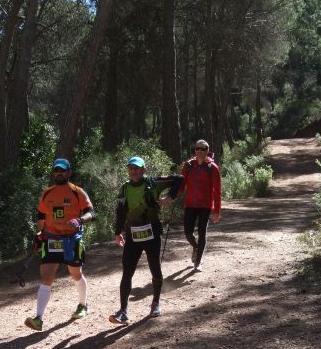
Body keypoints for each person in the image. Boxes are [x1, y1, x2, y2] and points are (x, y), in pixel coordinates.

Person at [24, 158, 95, 331]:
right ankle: (38, 318)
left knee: (76, 273)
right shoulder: (47, 193)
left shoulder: (78, 192)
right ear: (53, 173)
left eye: (62, 171)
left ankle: (83, 305)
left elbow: (91, 213)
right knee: (46, 276)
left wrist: (80, 220)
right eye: (56, 171)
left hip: (72, 239)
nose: (59, 174)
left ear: (69, 172)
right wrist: (38, 236)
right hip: (51, 239)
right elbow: (41, 217)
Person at [109, 156, 183, 324]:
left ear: (144, 170)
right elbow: (120, 211)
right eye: (131, 168)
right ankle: (123, 311)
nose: (134, 171)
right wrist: (118, 231)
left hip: (152, 234)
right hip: (133, 235)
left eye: (137, 168)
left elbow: (179, 179)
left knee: (155, 269)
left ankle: (155, 303)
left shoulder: (153, 183)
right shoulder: (125, 188)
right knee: (127, 272)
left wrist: (168, 198)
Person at [177, 139, 221, 272]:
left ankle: (198, 262)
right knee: (187, 232)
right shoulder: (188, 165)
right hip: (190, 203)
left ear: (207, 151)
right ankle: (196, 247)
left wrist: (217, 211)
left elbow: (217, 191)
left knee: (202, 233)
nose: (200, 151)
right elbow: (181, 183)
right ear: (195, 150)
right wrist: (175, 194)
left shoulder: (212, 167)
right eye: (197, 148)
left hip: (205, 205)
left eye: (203, 149)